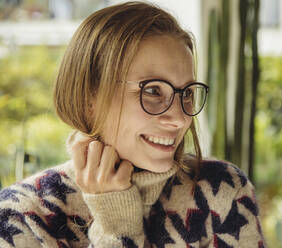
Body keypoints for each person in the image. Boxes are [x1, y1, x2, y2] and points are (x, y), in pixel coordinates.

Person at [0, 1, 266, 247]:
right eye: (152, 91)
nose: (180, 118)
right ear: (89, 97)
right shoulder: (22, 215)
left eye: (186, 93)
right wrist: (116, 227)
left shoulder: (222, 192)